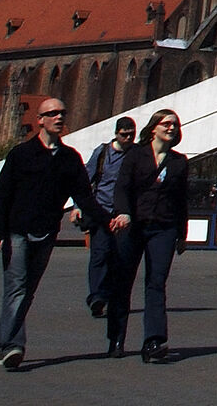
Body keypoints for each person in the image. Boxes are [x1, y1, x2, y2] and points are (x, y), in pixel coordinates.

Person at [0, 98, 110, 370]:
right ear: (39, 119)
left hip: (46, 232)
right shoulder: (21, 154)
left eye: (62, 113)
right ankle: (13, 346)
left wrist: (107, 221)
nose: (59, 117)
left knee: (26, 291)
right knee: (17, 288)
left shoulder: (70, 159)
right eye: (52, 113)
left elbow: (85, 198)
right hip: (17, 231)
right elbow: (1, 194)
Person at [107, 108, 190, 362]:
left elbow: (181, 200)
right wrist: (123, 213)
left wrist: (181, 234)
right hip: (133, 226)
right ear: (153, 127)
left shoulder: (179, 162)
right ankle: (117, 338)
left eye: (175, 125)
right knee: (123, 282)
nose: (171, 128)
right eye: (166, 124)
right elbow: (122, 187)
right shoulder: (135, 155)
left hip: (163, 227)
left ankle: (153, 341)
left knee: (156, 282)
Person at [82, 117, 138, 318]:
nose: (128, 137)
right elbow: (86, 179)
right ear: (116, 134)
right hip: (101, 211)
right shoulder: (102, 153)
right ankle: (97, 296)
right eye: (124, 134)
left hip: (124, 214)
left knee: (118, 257)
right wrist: (79, 207)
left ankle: (107, 294)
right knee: (100, 254)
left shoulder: (137, 153)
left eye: (132, 134)